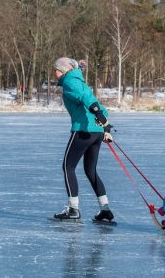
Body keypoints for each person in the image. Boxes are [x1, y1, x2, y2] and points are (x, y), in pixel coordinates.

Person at [51, 57, 115, 223]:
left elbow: (86, 98)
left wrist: (99, 114)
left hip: (82, 130)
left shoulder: (70, 82)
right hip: (96, 131)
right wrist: (105, 125)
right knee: (90, 170)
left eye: (56, 69)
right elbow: (92, 99)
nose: (54, 72)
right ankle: (105, 209)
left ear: (65, 70)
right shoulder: (78, 81)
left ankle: (73, 209)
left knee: (68, 166)